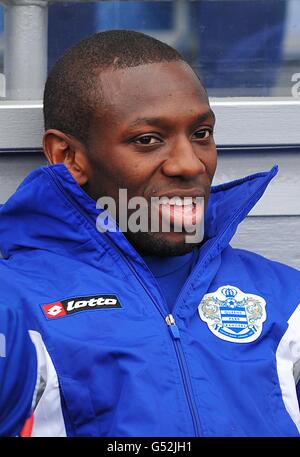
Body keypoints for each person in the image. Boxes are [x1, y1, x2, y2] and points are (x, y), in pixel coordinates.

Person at [0, 29, 299, 437]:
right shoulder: (15, 306)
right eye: (148, 140)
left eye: (201, 134)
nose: (189, 164)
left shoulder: (287, 301)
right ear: (68, 156)